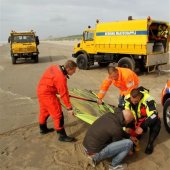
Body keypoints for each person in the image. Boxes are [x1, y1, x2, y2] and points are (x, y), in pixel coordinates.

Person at [37, 60, 77, 142]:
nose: (74, 72)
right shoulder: (61, 77)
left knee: (44, 111)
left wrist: (56, 91)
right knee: (57, 114)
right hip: (48, 94)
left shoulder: (55, 67)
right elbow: (64, 94)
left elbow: (51, 80)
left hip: (41, 90)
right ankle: (62, 136)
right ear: (69, 69)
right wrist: (69, 108)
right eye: (74, 70)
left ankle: (43, 129)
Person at [124, 86, 161, 154]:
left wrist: (142, 126)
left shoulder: (149, 99)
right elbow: (126, 111)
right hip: (135, 119)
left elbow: (153, 115)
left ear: (140, 97)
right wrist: (128, 125)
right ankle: (139, 133)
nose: (133, 102)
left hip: (146, 119)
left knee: (157, 122)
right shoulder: (127, 98)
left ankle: (150, 144)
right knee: (128, 130)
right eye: (132, 101)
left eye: (135, 101)